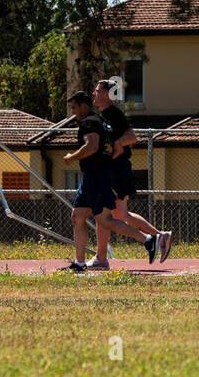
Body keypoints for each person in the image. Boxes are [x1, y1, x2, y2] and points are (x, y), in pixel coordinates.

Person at [62, 91, 164, 272]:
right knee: (77, 216)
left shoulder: (89, 123)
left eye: (74, 107)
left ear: (84, 106)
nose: (73, 112)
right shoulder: (102, 122)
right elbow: (114, 149)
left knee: (105, 220)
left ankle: (148, 240)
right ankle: (79, 263)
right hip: (92, 178)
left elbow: (92, 146)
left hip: (97, 179)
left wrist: (72, 156)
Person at [90, 79, 171, 270]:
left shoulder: (113, 114)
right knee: (119, 213)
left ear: (107, 94)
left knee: (102, 213)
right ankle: (160, 237)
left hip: (117, 171)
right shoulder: (104, 115)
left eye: (97, 89)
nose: (93, 92)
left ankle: (101, 258)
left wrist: (117, 145)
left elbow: (132, 137)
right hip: (114, 170)